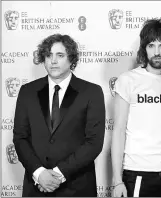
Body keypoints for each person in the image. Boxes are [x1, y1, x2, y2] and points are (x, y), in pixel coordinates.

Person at [13, 34, 105, 197]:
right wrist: (40, 173)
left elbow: (94, 142)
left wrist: (57, 175)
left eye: (60, 55)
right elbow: (20, 138)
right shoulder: (27, 91)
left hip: (77, 187)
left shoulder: (91, 92)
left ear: (71, 59)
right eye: (48, 55)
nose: (53, 61)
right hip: (36, 187)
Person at [111, 19, 161, 197]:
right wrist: (117, 180)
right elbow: (119, 130)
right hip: (136, 171)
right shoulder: (127, 80)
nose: (156, 52)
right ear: (144, 49)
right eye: (151, 45)